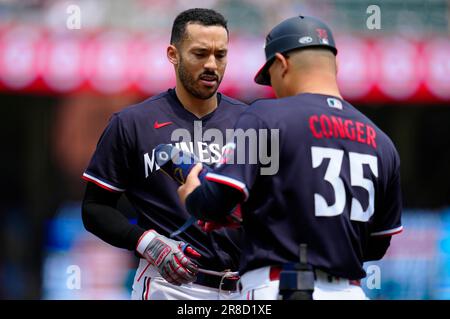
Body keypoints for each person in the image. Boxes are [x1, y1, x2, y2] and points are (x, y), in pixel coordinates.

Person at [178, 15, 403, 300]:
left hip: (278, 287)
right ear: (335, 64)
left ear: (282, 64)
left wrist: (193, 194)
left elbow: (213, 203)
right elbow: (375, 247)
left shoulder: (266, 115)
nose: (272, 86)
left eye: (270, 76)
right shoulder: (381, 141)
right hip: (351, 292)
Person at [81, 8, 247, 300]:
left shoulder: (250, 122)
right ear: (173, 54)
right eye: (200, 53)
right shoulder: (133, 123)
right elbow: (95, 208)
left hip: (242, 288)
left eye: (220, 55)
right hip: (169, 287)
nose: (212, 64)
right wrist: (145, 241)